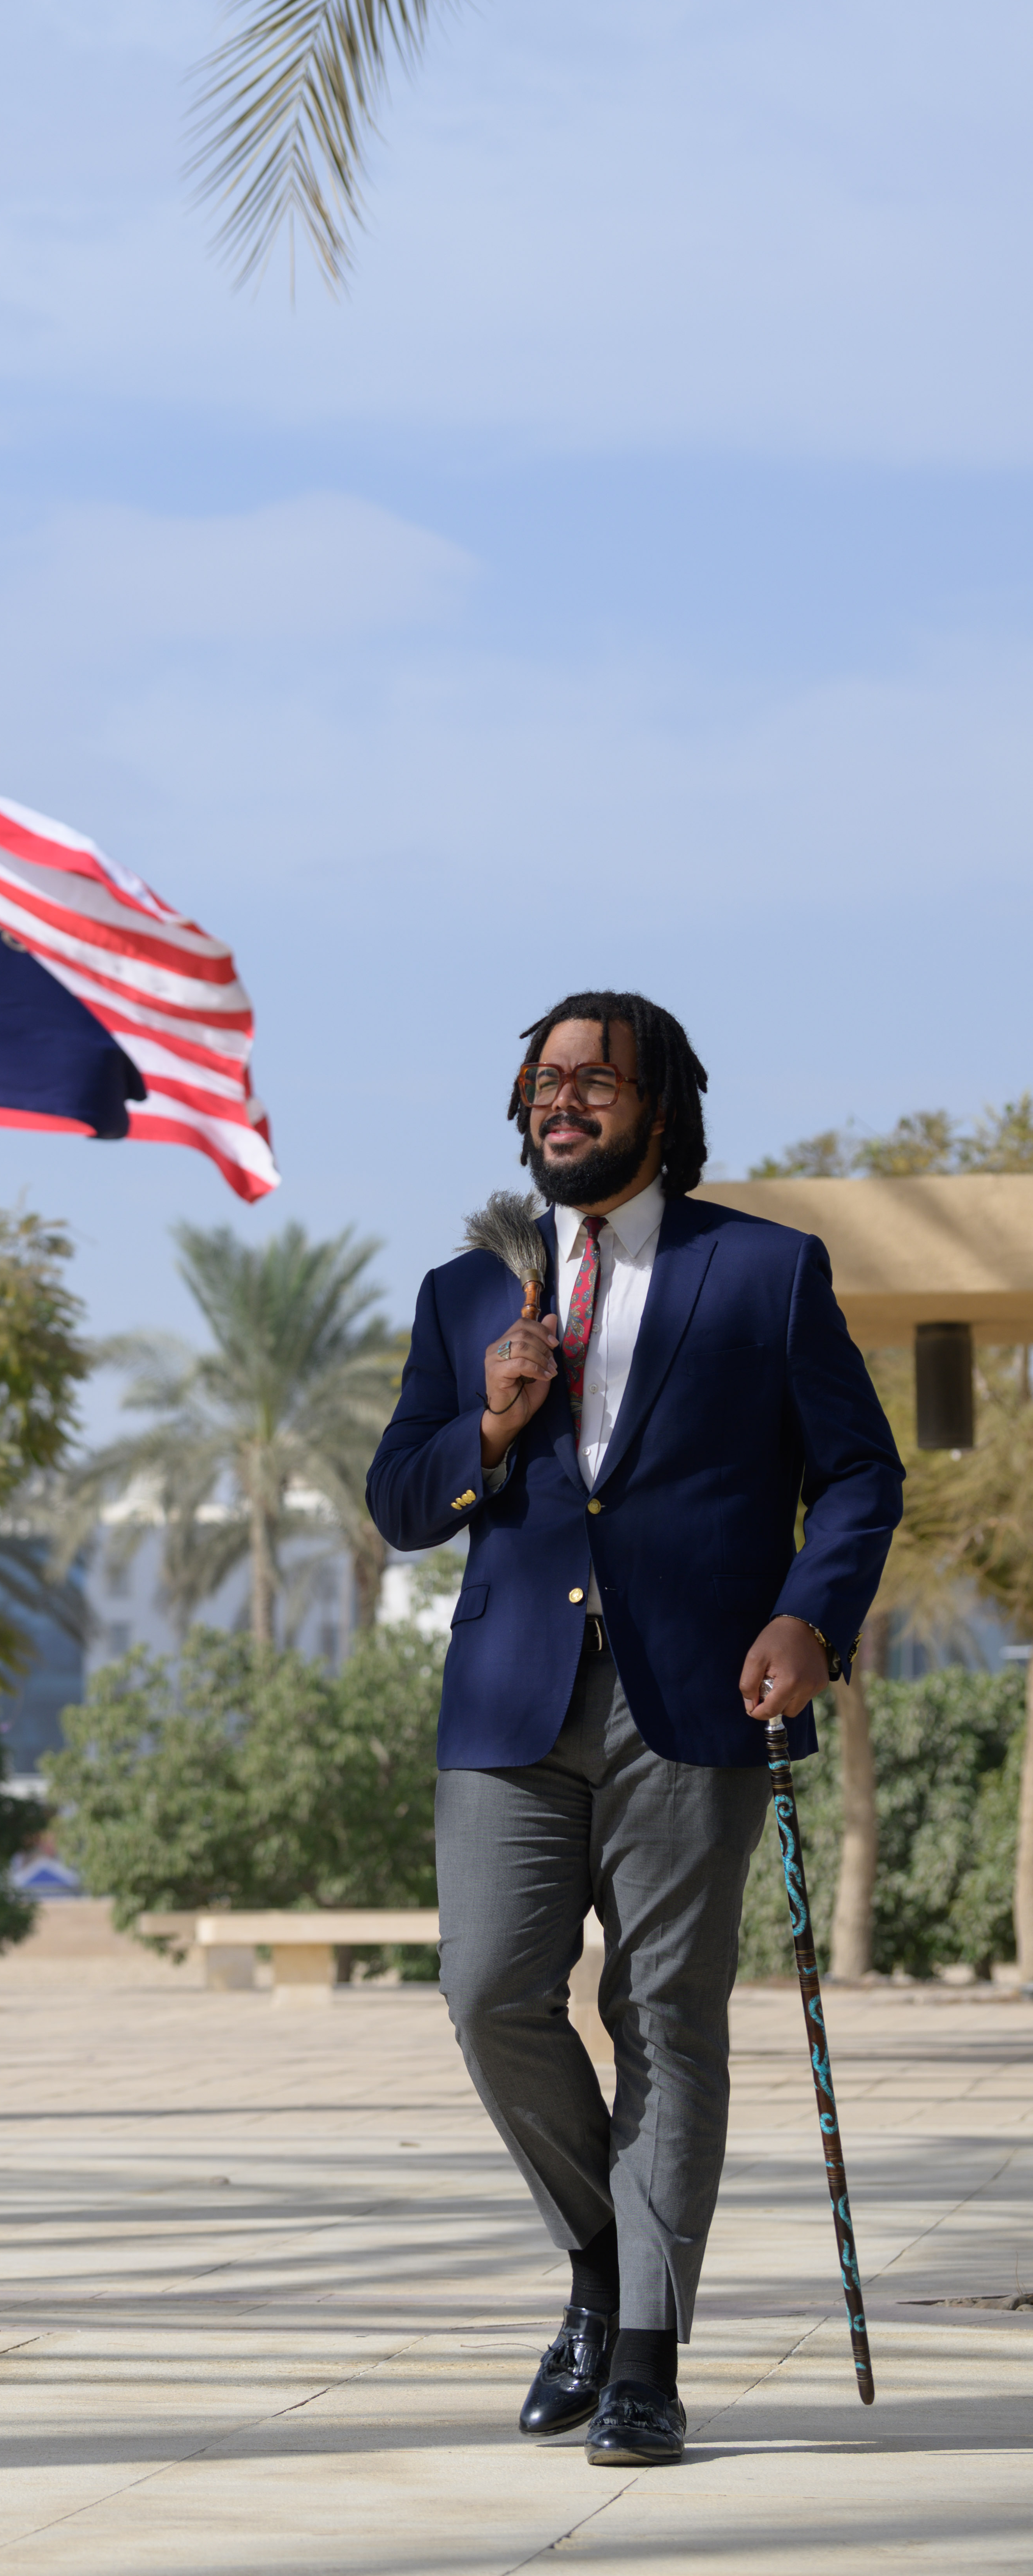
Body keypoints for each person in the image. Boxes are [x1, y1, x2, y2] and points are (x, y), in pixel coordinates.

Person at [366, 991, 901, 2467]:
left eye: (595, 1080)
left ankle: (648, 2357)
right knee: (487, 1989)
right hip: (510, 1701)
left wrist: (812, 1620)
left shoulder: (766, 1271)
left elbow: (861, 1473)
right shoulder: (466, 1296)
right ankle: (604, 2265)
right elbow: (401, 1501)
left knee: (665, 2015)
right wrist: (489, 1423)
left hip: (699, 1695)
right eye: (543, 1080)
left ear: (660, 1105)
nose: (563, 1099)